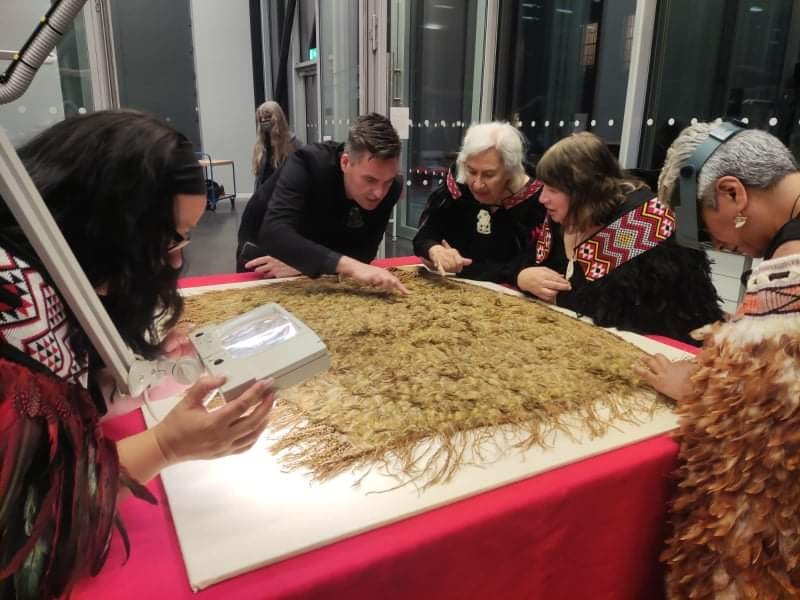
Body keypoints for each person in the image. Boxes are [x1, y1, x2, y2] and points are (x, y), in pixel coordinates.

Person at [0, 110, 276, 599]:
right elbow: (30, 532)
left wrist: (146, 367)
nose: (176, 260)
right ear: (108, 221)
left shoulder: (55, 270)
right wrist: (166, 446)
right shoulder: (16, 314)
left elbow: (75, 384)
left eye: (186, 238)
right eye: (170, 237)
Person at [635, 123, 800, 599]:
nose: (721, 245)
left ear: (733, 193)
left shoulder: (788, 265)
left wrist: (703, 391)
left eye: (707, 229)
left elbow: (770, 427)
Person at [512, 131, 723, 344]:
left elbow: (636, 313)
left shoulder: (647, 223)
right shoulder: (564, 215)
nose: (542, 198)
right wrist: (523, 276)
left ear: (585, 192)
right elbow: (526, 264)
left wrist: (560, 297)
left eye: (553, 190)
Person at [237, 112, 408, 294]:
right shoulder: (307, 163)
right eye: (370, 180)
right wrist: (315, 261)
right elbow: (275, 232)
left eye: (387, 181)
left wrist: (305, 264)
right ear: (345, 162)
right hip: (266, 249)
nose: (379, 193)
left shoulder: (392, 187)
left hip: (315, 248)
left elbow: (364, 251)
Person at [412, 122, 545, 282]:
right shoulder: (458, 184)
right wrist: (434, 250)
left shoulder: (538, 199)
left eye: (489, 175)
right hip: (454, 285)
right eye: (472, 171)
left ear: (511, 170)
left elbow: (534, 265)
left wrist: (514, 274)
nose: (477, 184)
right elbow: (425, 236)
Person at [251, 100, 301, 191]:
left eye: (268, 117)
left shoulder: (293, 143)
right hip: (263, 196)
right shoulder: (260, 145)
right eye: (261, 118)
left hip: (283, 195)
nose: (264, 121)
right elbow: (258, 178)